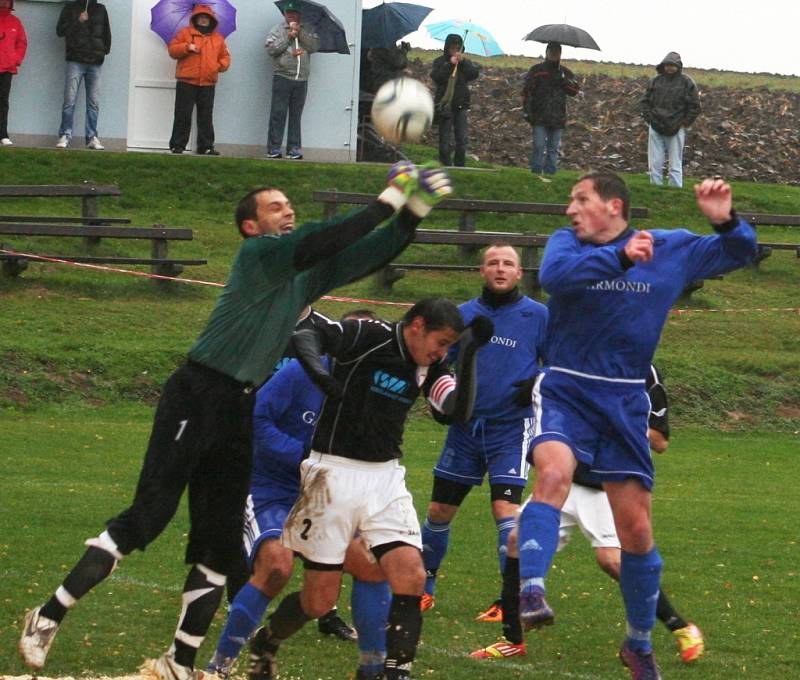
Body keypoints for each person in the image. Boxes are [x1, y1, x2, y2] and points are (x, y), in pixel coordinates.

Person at [17, 161, 454, 680]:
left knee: (221, 541)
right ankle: (47, 616)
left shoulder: (301, 275)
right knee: (149, 515)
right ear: (251, 226)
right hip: (197, 392)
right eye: (275, 206)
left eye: (288, 203)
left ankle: (179, 661)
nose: (287, 209)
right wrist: (388, 198)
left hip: (238, 403)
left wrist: (413, 214)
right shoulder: (260, 255)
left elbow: (364, 253)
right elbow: (325, 238)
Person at [514, 171, 755, 679]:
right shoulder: (565, 245)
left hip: (625, 399)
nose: (569, 209)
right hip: (566, 386)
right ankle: (530, 590)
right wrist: (622, 257)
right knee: (553, 475)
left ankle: (638, 644)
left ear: (613, 205)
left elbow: (741, 252)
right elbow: (555, 279)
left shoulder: (671, 247)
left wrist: (726, 221)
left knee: (637, 531)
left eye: (580, 199)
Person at [244, 299, 494, 680]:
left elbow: (455, 412)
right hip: (331, 474)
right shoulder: (368, 335)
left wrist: (470, 353)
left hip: (385, 477)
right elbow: (307, 333)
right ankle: (267, 640)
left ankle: (393, 673)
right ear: (417, 325)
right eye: (440, 342)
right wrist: (319, 373)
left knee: (411, 574)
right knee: (318, 600)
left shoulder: (431, 367)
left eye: (449, 347)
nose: (442, 352)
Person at [472, 365, 705, 665]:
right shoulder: (576, 360)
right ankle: (513, 641)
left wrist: (608, 424)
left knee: (611, 561)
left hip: (604, 486)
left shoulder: (644, 371)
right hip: (562, 481)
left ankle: (683, 628)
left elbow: (660, 440)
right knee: (516, 540)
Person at [206, 310, 392, 680]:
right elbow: (256, 418)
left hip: (327, 496)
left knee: (360, 574)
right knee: (277, 565)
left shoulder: (374, 390)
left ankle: (365, 667)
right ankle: (218, 668)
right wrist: (304, 457)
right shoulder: (299, 372)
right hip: (272, 487)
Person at [419, 244, 548, 620]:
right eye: (493, 263)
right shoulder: (462, 316)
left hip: (512, 428)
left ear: (520, 273)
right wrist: (439, 397)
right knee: (439, 510)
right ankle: (425, 587)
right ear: (482, 270)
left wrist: (537, 382)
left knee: (505, 511)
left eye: (508, 263)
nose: (500, 268)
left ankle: (507, 600)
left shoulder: (538, 315)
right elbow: (438, 363)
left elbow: (559, 365)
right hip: (465, 430)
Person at [167, 5, 230, 156]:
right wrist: (187, 47)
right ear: (195, 19)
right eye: (200, 17)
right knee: (183, 114)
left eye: (206, 17)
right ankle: (178, 145)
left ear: (211, 20)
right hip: (186, 81)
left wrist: (217, 66)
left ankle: (206, 146)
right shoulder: (184, 33)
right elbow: (172, 50)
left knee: (206, 116)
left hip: (208, 83)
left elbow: (225, 58)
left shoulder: (218, 38)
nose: (203, 19)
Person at [265, 0, 319, 160]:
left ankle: (294, 148)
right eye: (288, 13)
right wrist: (288, 37)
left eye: (294, 13)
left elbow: (314, 47)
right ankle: (274, 148)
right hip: (282, 76)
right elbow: (271, 49)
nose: (291, 16)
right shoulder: (277, 30)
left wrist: (300, 33)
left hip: (301, 79)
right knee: (278, 113)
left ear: (299, 15)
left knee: (296, 115)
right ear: (284, 15)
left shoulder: (307, 30)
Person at [55, 0, 111, 150]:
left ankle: (91, 136)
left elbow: (106, 33)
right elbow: (60, 31)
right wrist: (78, 21)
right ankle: (65, 134)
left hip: (95, 61)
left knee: (93, 102)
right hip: (76, 60)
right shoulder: (70, 8)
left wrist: (103, 51)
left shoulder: (100, 9)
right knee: (70, 100)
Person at [641, 52, 701, 188]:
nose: (669, 68)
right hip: (655, 126)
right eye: (667, 65)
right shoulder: (655, 81)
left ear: (678, 66)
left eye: (672, 65)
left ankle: (675, 188)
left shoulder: (686, 82)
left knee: (675, 162)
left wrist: (684, 123)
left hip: (677, 127)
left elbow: (695, 105)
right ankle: (655, 186)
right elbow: (645, 102)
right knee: (655, 161)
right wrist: (650, 119)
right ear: (663, 66)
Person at [521, 42, 580, 178]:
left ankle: (550, 175)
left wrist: (563, 80)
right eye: (552, 51)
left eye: (557, 52)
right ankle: (536, 174)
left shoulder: (565, 72)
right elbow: (526, 92)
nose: (554, 54)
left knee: (553, 149)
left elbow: (574, 90)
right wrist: (527, 111)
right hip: (539, 115)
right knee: (539, 146)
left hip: (558, 117)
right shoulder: (537, 70)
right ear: (546, 52)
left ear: (560, 54)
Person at [430, 33, 480, 167]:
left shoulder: (464, 63)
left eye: (458, 48)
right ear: (447, 48)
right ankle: (445, 164)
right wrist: (449, 65)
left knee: (462, 140)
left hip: (460, 106)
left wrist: (463, 62)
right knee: (445, 141)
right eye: (452, 48)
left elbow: (474, 73)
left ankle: (460, 167)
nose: (455, 51)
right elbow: (437, 77)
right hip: (445, 106)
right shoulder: (440, 62)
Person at [0, 0, 27, 146]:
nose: (4, 4)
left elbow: (22, 43)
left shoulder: (15, 22)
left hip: (7, 69)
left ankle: (3, 134)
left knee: (3, 103)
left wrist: (15, 59)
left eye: (6, 1)